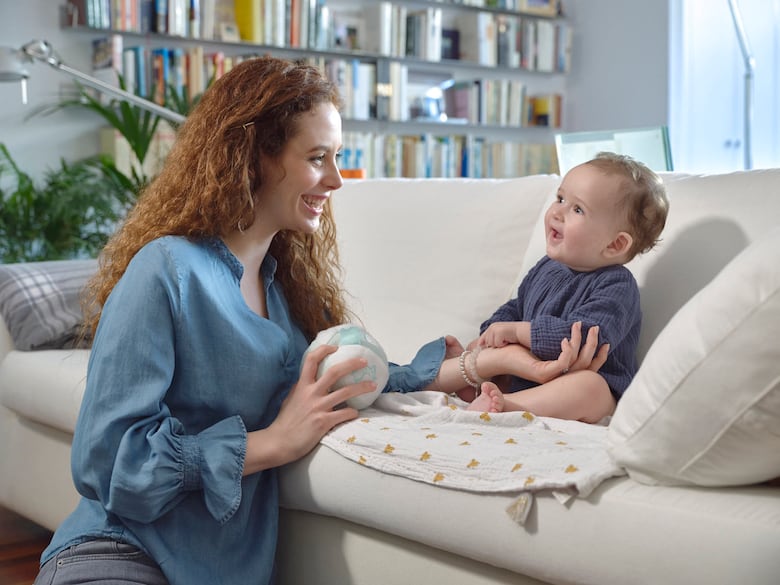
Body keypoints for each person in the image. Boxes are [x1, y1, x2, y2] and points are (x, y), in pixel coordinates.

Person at [33, 56, 377, 585]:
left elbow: (348, 368)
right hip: (121, 552)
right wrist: (273, 442)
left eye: (338, 157)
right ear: (256, 156)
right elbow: (108, 460)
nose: (335, 179)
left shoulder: (289, 295)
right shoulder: (167, 268)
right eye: (317, 158)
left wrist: (463, 368)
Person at [422, 152, 669, 423]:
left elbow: (583, 338)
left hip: (582, 378)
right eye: (560, 199)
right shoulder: (547, 267)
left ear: (614, 245)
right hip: (531, 372)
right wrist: (493, 331)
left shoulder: (617, 285)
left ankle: (508, 405)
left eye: (577, 209)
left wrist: (518, 332)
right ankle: (477, 385)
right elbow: (517, 306)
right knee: (482, 347)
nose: (557, 212)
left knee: (590, 388)